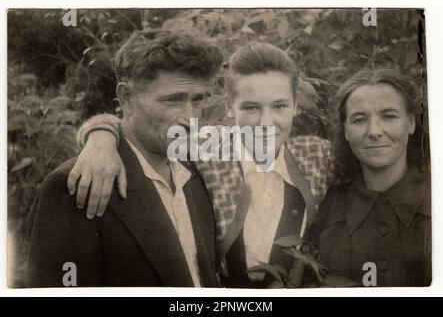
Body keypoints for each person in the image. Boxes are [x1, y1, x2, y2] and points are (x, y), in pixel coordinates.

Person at [67, 42, 335, 288]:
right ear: (230, 105)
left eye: (279, 106)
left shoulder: (316, 156)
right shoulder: (205, 149)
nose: (266, 123)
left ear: (296, 105)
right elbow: (142, 135)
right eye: (251, 107)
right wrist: (100, 136)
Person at [25, 29, 223, 287]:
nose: (190, 118)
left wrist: (100, 131)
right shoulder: (76, 185)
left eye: (197, 100)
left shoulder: (199, 173)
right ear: (126, 98)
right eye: (173, 100)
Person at [309, 68, 431, 287]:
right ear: (345, 131)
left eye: (389, 116)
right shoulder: (327, 205)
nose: (374, 131)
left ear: (411, 123)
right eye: (359, 119)